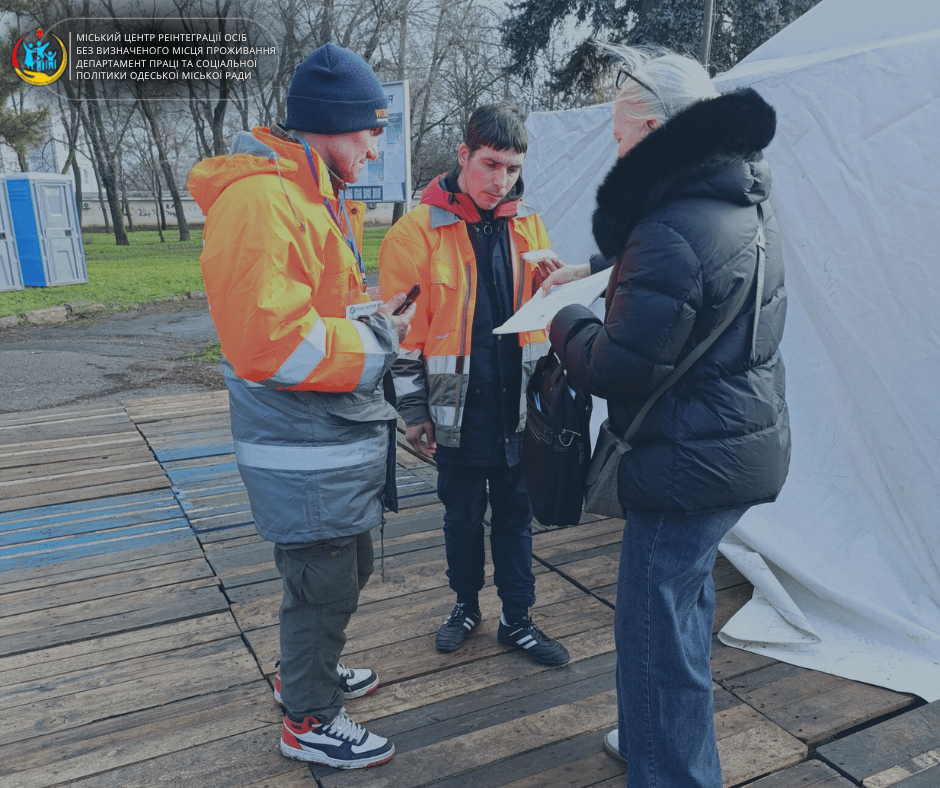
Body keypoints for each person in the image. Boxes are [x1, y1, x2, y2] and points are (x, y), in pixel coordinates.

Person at [545, 45, 790, 787]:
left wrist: (562, 318)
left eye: (620, 135)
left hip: (686, 461)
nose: (614, 149)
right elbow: (686, 279)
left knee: (653, 633)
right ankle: (664, 738)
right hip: (739, 447)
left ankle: (673, 771)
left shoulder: (671, 227)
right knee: (677, 619)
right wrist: (593, 272)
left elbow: (615, 363)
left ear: (652, 129)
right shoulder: (739, 200)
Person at [187, 43, 416, 769]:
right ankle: (310, 718)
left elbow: (315, 310)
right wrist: (380, 339)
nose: (376, 149)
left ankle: (305, 671)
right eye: (367, 132)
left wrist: (370, 312)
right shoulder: (263, 201)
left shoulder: (314, 194)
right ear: (326, 125)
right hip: (301, 446)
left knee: (349, 569)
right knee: (322, 584)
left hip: (325, 439)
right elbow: (273, 345)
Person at [379, 102, 570, 667]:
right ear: (463, 156)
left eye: (512, 168)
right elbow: (400, 341)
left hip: (517, 410)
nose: (500, 180)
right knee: (461, 518)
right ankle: (464, 606)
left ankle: (518, 619)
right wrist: (413, 416)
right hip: (452, 413)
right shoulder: (415, 232)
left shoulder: (530, 223)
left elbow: (547, 317)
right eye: (490, 164)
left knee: (516, 519)